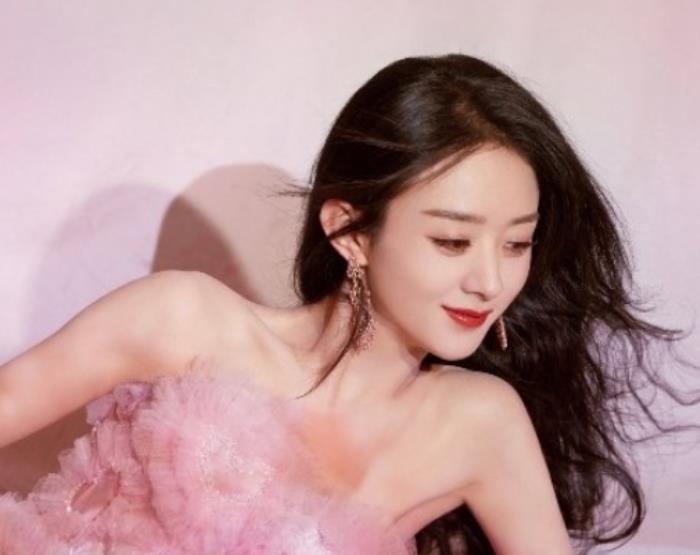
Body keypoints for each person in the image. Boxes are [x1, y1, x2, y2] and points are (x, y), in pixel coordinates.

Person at [0, 53, 697, 555]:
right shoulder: (188, 319)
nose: (491, 280)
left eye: (517, 244)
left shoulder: (479, 422)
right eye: (453, 241)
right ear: (349, 232)